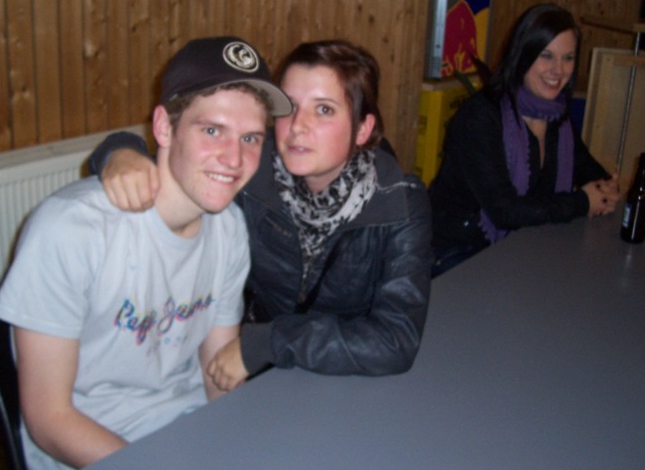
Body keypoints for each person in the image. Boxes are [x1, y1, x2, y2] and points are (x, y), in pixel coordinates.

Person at [0, 36, 292, 469]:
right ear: (164, 128)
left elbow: (217, 373)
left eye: (250, 138)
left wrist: (241, 444)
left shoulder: (228, 230)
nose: (234, 158)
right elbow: (49, 420)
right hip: (92, 450)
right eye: (212, 130)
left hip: (190, 430)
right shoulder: (70, 230)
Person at [89, 39, 432, 390]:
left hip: (344, 376)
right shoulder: (249, 169)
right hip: (254, 376)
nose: (297, 126)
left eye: (324, 109)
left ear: (362, 129)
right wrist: (119, 151)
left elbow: (396, 340)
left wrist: (271, 341)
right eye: (289, 107)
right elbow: (178, 161)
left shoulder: (397, 202)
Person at [428, 3, 621, 276]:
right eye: (546, 56)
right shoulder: (480, 117)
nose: (558, 70)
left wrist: (606, 190)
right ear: (523, 54)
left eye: (568, 58)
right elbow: (504, 211)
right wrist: (582, 202)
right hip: (459, 249)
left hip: (525, 245)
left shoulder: (557, 117)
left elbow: (589, 169)